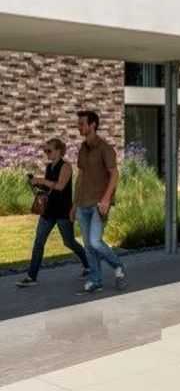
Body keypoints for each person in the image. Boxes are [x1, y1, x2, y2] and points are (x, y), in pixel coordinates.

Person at [16, 138, 90, 288]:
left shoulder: (66, 166)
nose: (46, 153)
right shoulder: (49, 167)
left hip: (63, 212)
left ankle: (88, 265)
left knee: (69, 242)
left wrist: (42, 181)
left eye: (49, 150)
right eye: (45, 151)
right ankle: (31, 277)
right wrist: (36, 184)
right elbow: (50, 188)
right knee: (39, 242)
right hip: (48, 211)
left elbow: (60, 186)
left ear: (58, 151)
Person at [71, 110, 127, 293]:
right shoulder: (82, 148)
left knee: (95, 242)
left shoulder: (105, 148)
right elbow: (81, 176)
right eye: (79, 124)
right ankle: (96, 280)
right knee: (88, 246)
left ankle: (118, 265)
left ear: (93, 125)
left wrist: (106, 199)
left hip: (98, 204)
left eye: (82, 124)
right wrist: (74, 204)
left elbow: (114, 174)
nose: (79, 127)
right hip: (82, 203)